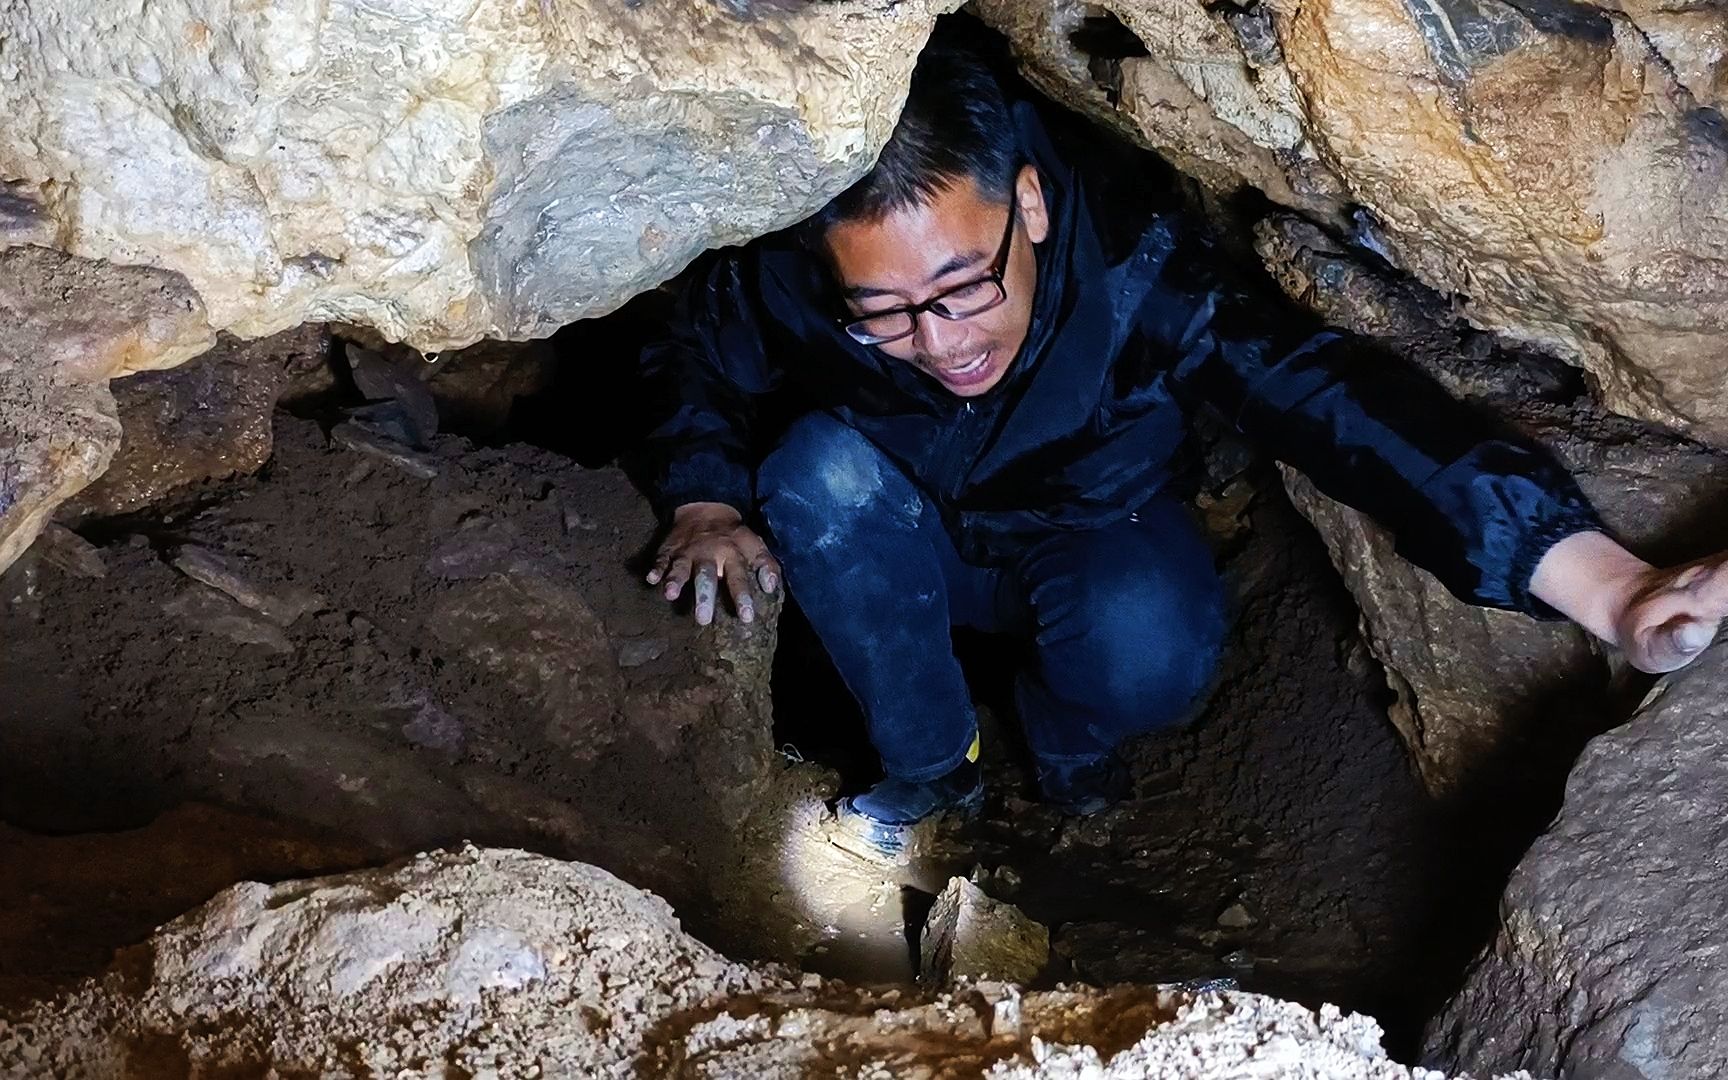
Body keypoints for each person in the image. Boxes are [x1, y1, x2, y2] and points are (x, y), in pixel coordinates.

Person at [635, 43, 1728, 853]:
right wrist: (701, 499)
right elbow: (696, 353)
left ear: (1030, 205)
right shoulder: (797, 277)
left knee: (1149, 643)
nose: (941, 341)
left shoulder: (1140, 274)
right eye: (889, 312)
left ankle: (1065, 751)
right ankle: (934, 771)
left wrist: (1609, 587)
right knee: (812, 472)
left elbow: (1335, 402)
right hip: (909, 540)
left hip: (1091, 530)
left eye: (965, 284)